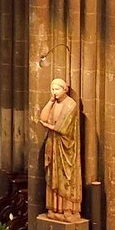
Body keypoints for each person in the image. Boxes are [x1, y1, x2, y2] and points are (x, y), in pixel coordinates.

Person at [37, 74, 82, 220]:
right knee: (53, 175)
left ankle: (68, 209)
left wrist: (48, 126)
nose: (54, 91)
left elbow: (62, 128)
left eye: (57, 89)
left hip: (66, 148)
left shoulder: (71, 104)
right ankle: (54, 208)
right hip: (53, 144)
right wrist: (50, 102)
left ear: (65, 89)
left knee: (66, 176)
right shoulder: (54, 103)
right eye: (52, 89)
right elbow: (43, 117)